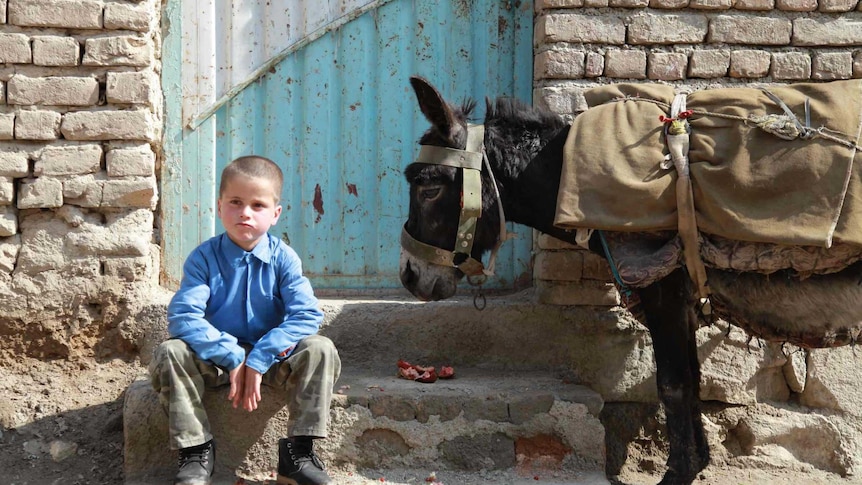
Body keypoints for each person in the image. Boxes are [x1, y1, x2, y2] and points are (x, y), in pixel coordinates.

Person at [149, 155, 341, 485]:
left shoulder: (283, 259)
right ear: (220, 206)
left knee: (320, 348)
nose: (245, 213)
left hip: (274, 362)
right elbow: (183, 316)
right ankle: (196, 452)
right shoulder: (204, 259)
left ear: (275, 214)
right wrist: (233, 354)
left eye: (258, 205)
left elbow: (307, 314)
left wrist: (262, 355)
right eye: (235, 202)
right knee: (170, 352)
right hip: (217, 363)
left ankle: (298, 453)